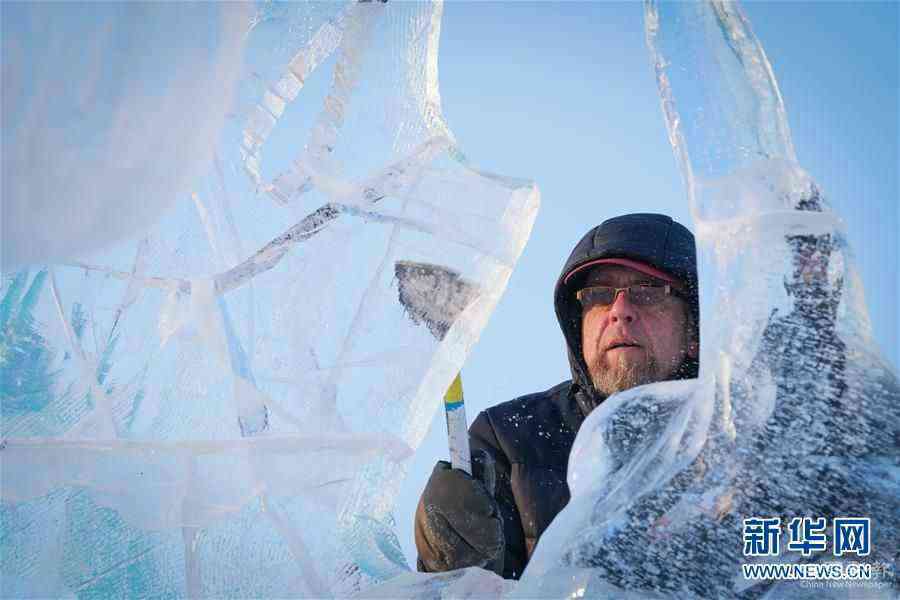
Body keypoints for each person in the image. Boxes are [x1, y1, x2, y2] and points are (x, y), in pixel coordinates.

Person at [414, 213, 700, 579]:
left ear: (694, 330)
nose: (620, 311)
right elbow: (465, 589)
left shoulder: (743, 439)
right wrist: (446, 559)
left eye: (647, 292)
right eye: (598, 295)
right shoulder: (509, 437)